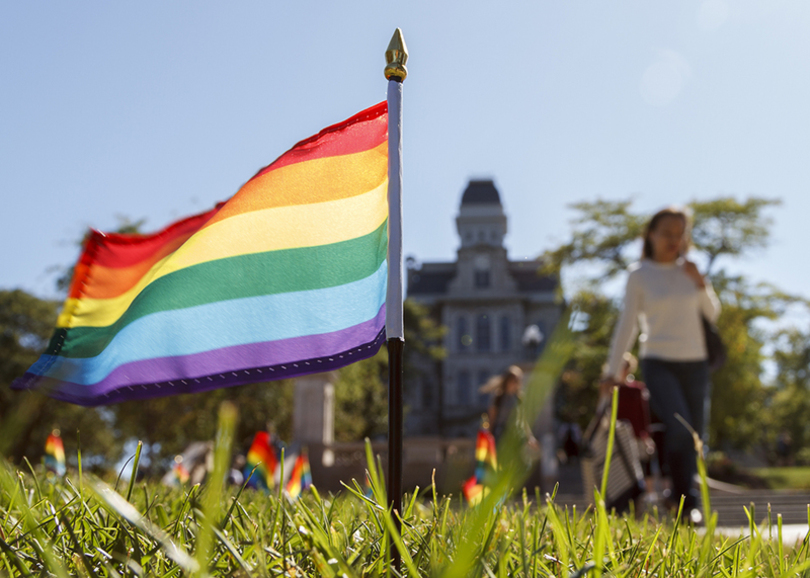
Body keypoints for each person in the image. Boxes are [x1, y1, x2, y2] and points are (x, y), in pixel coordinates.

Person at [601, 206, 720, 523]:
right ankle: (680, 497)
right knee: (681, 429)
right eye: (667, 232)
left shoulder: (690, 271)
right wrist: (611, 372)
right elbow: (627, 325)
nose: (674, 239)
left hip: (695, 363)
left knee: (696, 437)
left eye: (680, 233)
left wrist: (701, 283)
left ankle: (687, 508)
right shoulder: (639, 275)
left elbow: (713, 313)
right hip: (658, 361)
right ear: (651, 235)